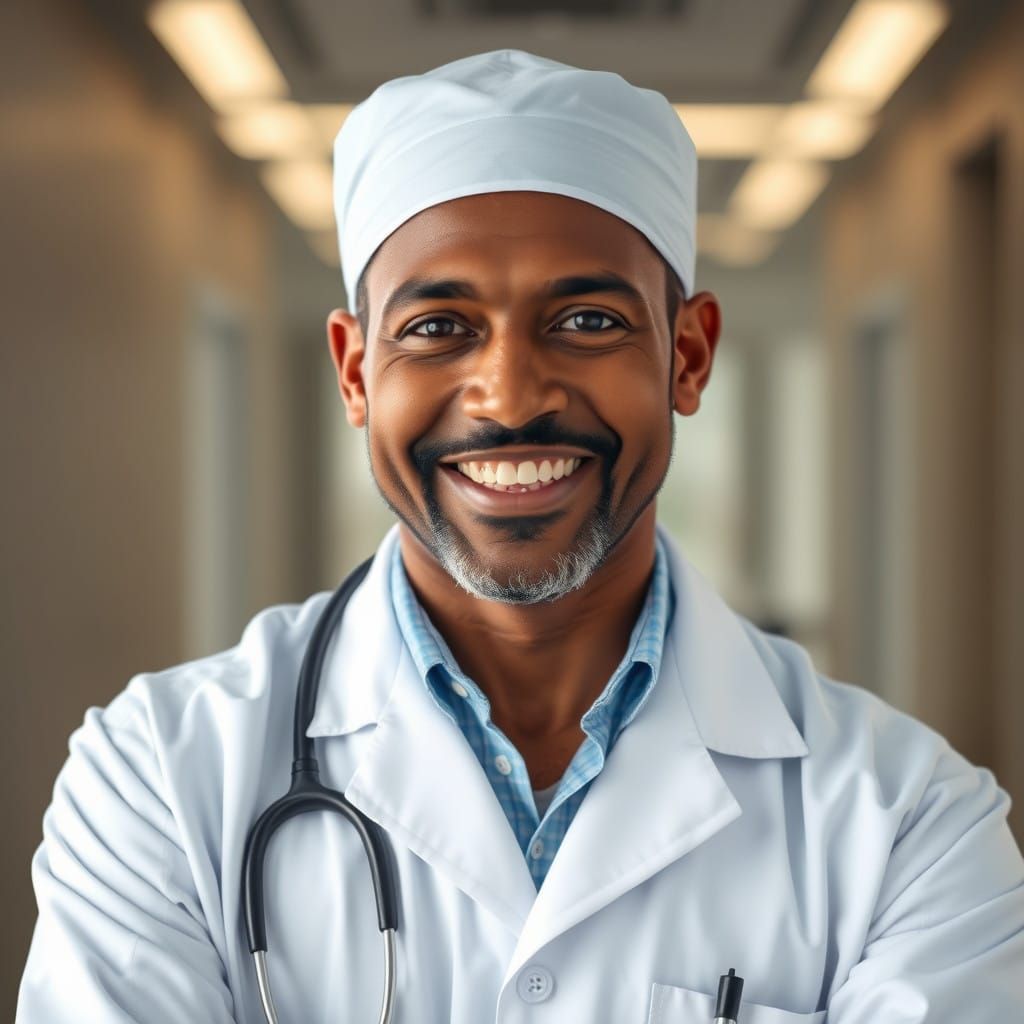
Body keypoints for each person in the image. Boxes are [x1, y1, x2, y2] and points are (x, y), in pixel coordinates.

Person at [17, 49, 1024, 1023]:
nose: (508, 399)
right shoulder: (154, 775)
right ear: (357, 372)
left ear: (687, 354)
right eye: (436, 326)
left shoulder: (908, 819)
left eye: (585, 320)